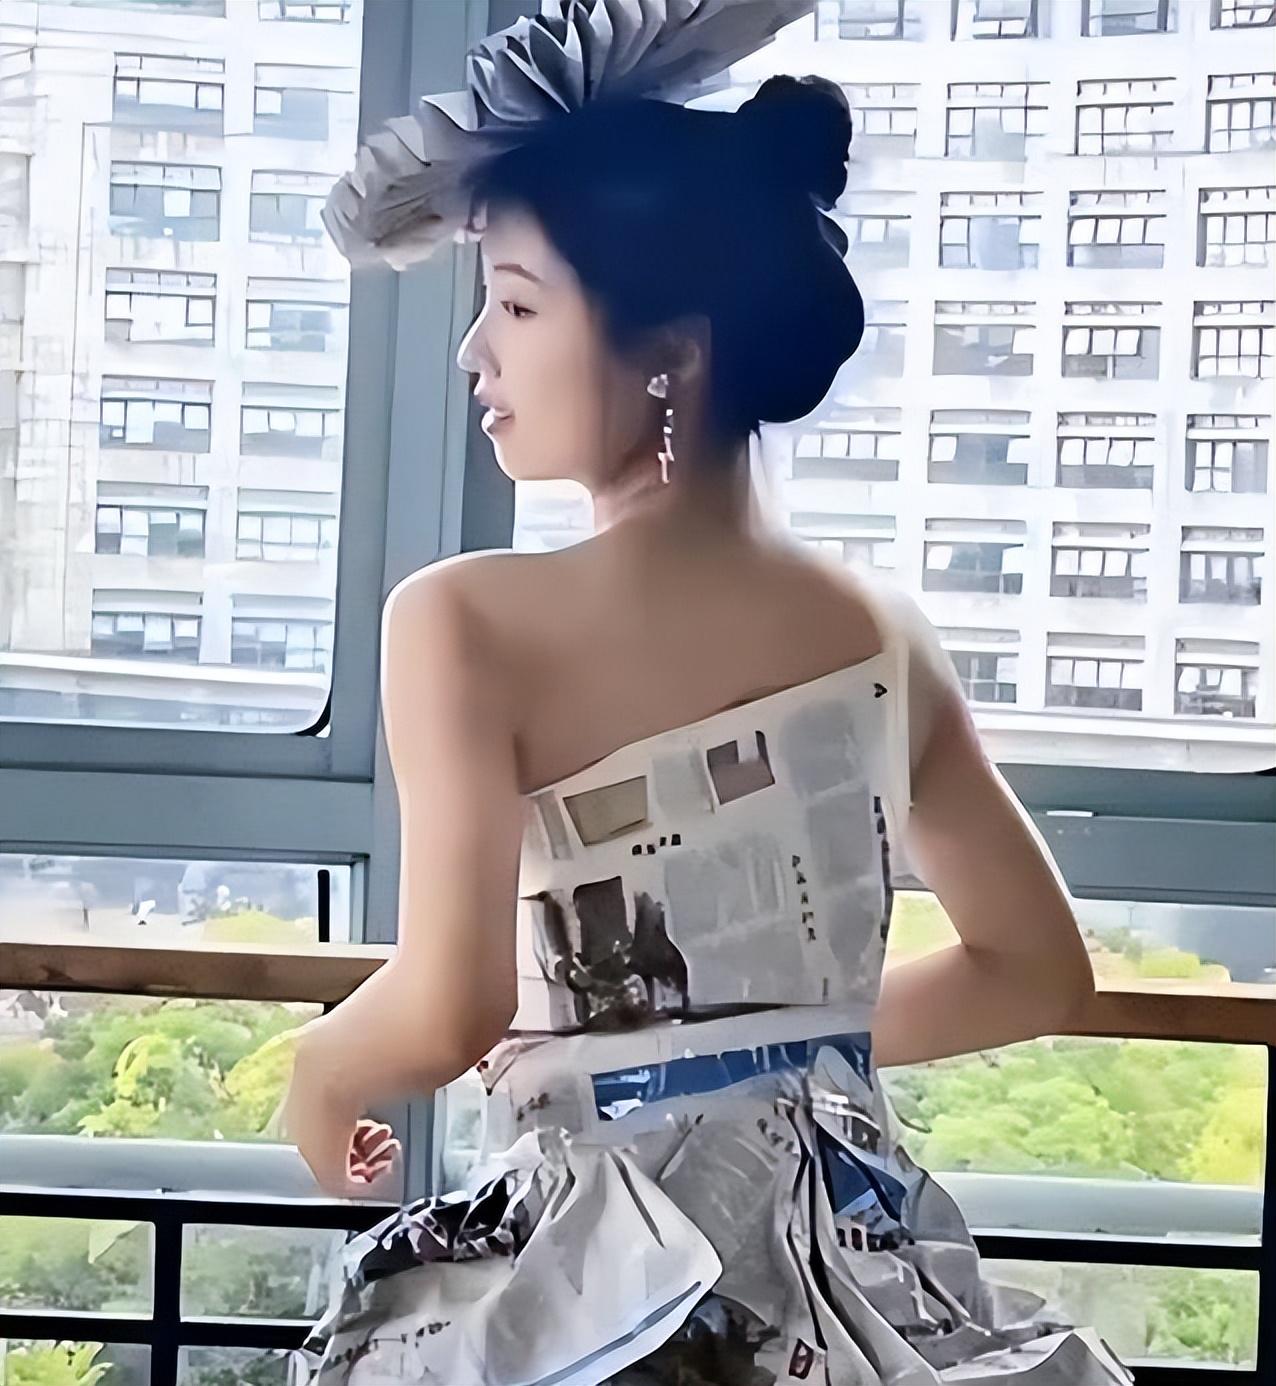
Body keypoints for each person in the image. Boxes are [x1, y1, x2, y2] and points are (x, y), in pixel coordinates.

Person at [279, 4, 1133, 1382]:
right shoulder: (883, 636)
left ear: (668, 348)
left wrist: (321, 1067)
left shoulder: (462, 619)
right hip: (860, 1284)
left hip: (609, 1284)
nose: (475, 352)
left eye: (517, 304)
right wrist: (772, 1053)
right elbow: (1036, 968)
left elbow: (447, 1006)